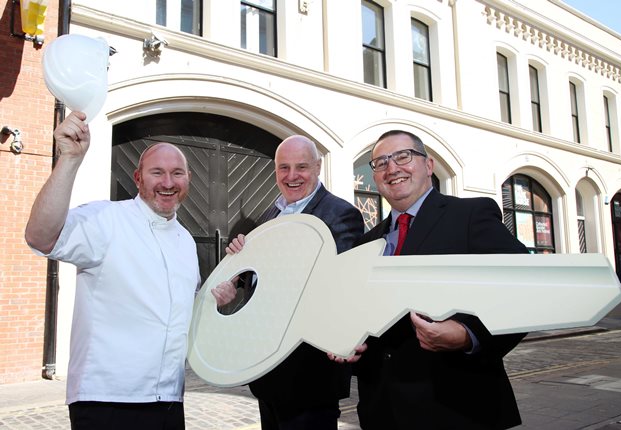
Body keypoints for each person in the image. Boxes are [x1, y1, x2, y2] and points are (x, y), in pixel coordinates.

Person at [24, 111, 203, 430]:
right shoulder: (106, 220)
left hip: (170, 401)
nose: (167, 182)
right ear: (137, 178)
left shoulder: (187, 242)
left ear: (188, 180)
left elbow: (190, 312)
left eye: (177, 173)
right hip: (107, 402)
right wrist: (70, 160)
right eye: (157, 172)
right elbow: (40, 236)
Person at [352, 130, 528, 430]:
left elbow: (524, 286)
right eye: (381, 163)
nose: (392, 168)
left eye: (403, 156)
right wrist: (348, 342)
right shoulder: (368, 243)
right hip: (382, 412)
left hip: (457, 410)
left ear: (428, 165)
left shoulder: (470, 214)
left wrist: (468, 334)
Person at [215, 135, 365, 430]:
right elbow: (263, 277)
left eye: (301, 167)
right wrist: (241, 268)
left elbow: (335, 283)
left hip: (309, 375)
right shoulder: (271, 214)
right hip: (269, 371)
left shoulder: (341, 214)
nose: (292, 176)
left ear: (318, 167)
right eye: (284, 168)